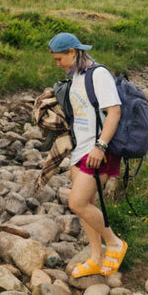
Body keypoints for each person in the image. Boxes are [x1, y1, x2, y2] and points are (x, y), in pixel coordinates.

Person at [48, 32, 129, 277]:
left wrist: (100, 146)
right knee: (87, 204)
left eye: (59, 58)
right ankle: (96, 257)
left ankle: (114, 243)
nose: (58, 64)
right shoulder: (77, 76)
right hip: (80, 148)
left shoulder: (98, 74)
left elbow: (114, 112)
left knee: (77, 202)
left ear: (73, 52)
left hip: (98, 151)